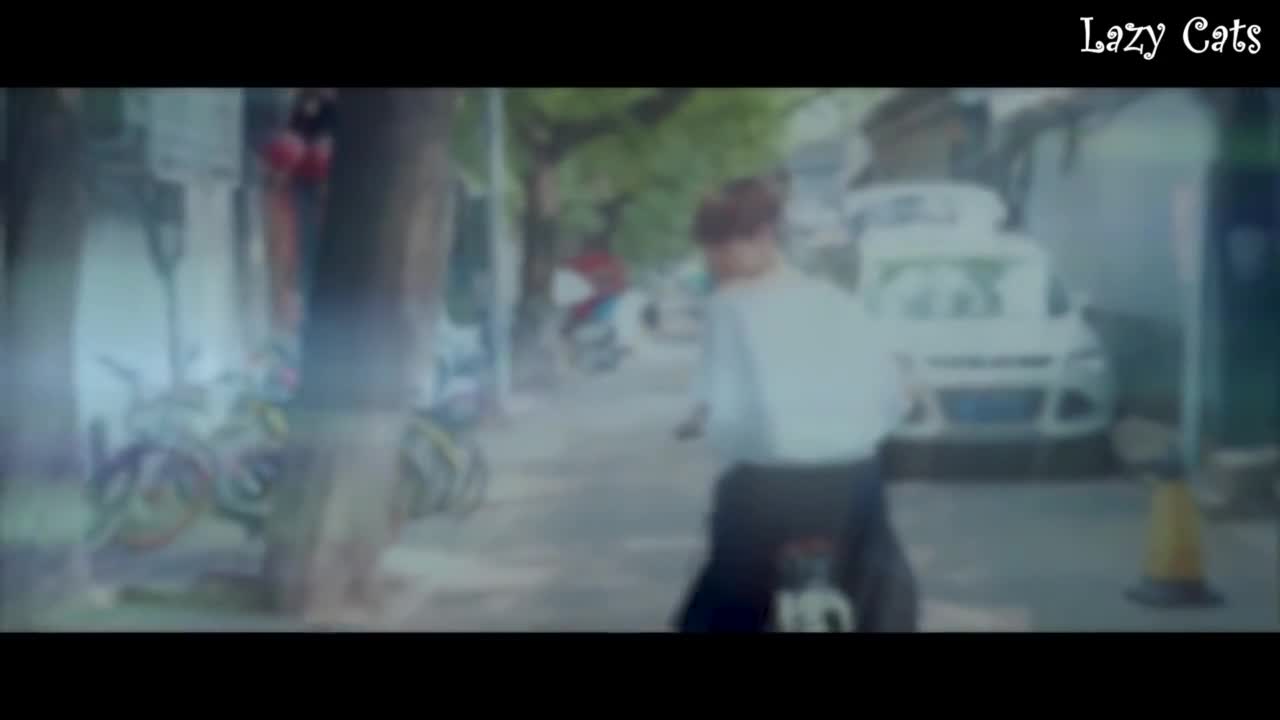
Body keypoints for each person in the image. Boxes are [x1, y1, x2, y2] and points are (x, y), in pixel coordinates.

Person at [673, 174, 920, 633]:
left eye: (723, 245)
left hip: (764, 492)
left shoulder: (728, 305)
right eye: (709, 247)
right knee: (879, 595)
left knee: (722, 609)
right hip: (851, 486)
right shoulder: (836, 302)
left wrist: (697, 418)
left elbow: (714, 397)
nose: (713, 260)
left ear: (764, 236)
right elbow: (893, 392)